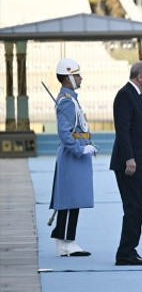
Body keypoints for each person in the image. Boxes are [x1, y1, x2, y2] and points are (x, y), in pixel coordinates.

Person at [110, 61, 142, 266]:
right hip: (130, 164)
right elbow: (123, 130)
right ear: (140, 76)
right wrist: (129, 158)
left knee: (137, 207)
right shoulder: (125, 95)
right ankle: (125, 252)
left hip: (138, 163)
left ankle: (130, 249)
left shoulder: (135, 95)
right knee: (133, 207)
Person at [49, 58, 95, 257]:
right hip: (73, 156)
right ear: (68, 78)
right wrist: (80, 149)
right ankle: (68, 241)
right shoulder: (67, 101)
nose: (80, 78)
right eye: (77, 75)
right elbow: (65, 132)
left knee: (71, 198)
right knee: (70, 200)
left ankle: (63, 239)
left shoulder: (69, 99)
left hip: (76, 153)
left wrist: (87, 144)